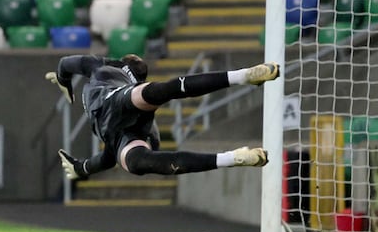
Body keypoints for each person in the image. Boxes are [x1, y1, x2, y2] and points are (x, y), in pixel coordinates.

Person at [46, 54, 279, 181]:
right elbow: (106, 159)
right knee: (138, 159)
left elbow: (64, 63)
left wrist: (63, 80)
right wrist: (81, 168)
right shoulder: (108, 72)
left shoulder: (105, 69)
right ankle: (242, 78)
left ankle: (232, 156)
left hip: (117, 102)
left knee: (158, 95)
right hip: (125, 129)